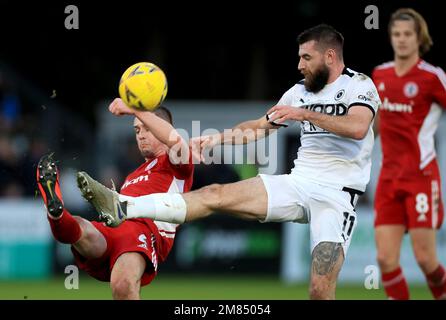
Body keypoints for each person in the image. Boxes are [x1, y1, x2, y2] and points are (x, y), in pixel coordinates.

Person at [78, 24, 380, 300]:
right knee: (214, 194)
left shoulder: (360, 86)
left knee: (319, 291)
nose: (299, 65)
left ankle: (124, 206)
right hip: (298, 183)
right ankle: (124, 206)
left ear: (329, 55)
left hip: (336, 196)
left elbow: (357, 127)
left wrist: (304, 114)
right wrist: (216, 139)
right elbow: (259, 127)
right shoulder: (298, 92)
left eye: (306, 58)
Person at [36, 102, 193, 300]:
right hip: (114, 226)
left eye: (147, 128)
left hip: (142, 230)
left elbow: (176, 141)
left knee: (122, 286)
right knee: (79, 229)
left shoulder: (176, 163)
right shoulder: (132, 176)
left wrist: (137, 109)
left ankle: (57, 214)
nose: (141, 135)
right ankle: (56, 213)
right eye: (137, 130)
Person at [372, 8, 446, 300]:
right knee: (385, 260)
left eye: (407, 34)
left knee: (426, 260)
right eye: (396, 34)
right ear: (391, 37)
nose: (401, 40)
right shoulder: (379, 74)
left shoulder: (433, 77)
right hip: (389, 179)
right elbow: (375, 123)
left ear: (419, 38)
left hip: (421, 177)